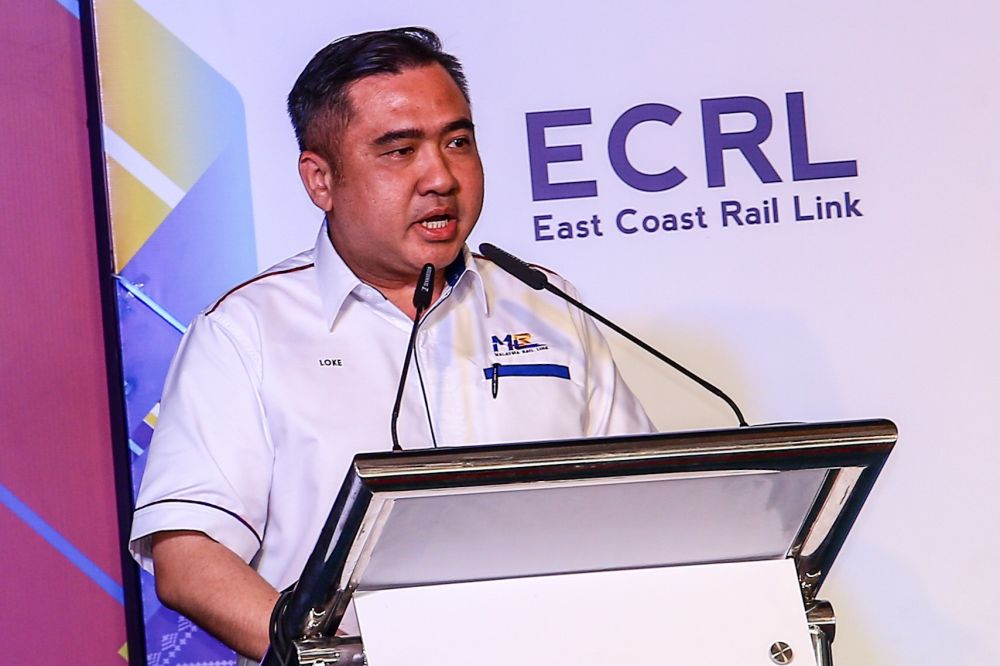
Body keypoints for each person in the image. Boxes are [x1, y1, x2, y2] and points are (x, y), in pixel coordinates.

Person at [129, 27, 653, 664]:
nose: (441, 176)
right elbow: (189, 556)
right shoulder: (246, 331)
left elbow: (641, 508)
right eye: (400, 151)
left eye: (457, 141)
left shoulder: (547, 306)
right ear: (320, 181)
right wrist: (333, 659)